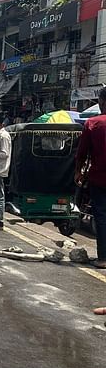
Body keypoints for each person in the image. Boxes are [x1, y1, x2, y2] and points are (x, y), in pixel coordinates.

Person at [75, 86, 106, 269]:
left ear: (101, 102)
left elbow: (82, 153)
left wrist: (78, 171)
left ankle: (103, 258)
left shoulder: (93, 123)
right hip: (98, 177)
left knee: (101, 217)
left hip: (99, 179)